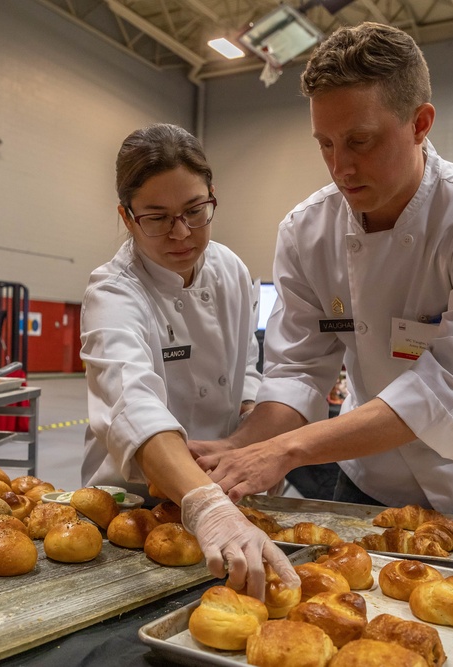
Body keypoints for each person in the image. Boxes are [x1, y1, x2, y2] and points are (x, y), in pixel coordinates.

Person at [190, 23, 453, 516]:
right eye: (324, 143)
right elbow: (300, 370)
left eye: (359, 141)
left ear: (420, 123)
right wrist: (243, 444)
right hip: (372, 460)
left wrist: (287, 450)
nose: (340, 167)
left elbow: (450, 383)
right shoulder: (307, 231)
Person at [79, 124, 298, 598]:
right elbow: (131, 403)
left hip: (224, 497)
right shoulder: (113, 292)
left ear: (212, 197)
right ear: (126, 215)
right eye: (156, 218)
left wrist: (249, 437)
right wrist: (203, 502)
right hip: (131, 508)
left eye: (195, 212)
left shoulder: (231, 270)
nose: (181, 234)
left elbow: (246, 369)